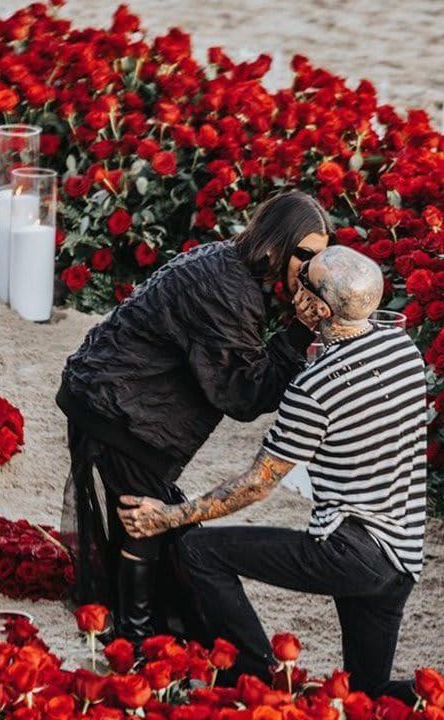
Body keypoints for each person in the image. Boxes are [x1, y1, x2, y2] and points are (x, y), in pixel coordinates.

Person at [117, 246, 427, 696]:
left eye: (305, 281)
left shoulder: (314, 387)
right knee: (368, 694)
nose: (294, 281)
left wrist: (168, 517)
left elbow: (257, 484)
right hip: (402, 558)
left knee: (200, 550)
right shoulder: (403, 350)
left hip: (351, 551)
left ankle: (263, 678)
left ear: (319, 308)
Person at [57, 190, 331, 641]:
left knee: (152, 519)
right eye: (303, 254)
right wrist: (299, 333)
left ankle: (137, 627)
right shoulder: (231, 289)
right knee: (143, 519)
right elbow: (241, 395)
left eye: (318, 258)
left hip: (113, 396)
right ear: (275, 241)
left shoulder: (231, 264)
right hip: (117, 407)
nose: (310, 270)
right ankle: (135, 636)